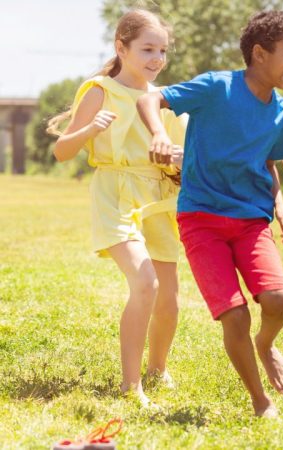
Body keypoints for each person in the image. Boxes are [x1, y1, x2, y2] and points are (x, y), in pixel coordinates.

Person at [136, 10, 283, 417]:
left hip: (251, 221)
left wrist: (280, 205)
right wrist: (160, 133)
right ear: (260, 54)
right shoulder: (217, 87)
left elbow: (267, 164)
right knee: (234, 316)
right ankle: (259, 399)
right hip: (201, 219)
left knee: (278, 300)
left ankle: (265, 344)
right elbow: (150, 97)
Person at [49, 9, 185, 408]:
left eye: (162, 50)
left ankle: (158, 369)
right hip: (116, 192)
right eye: (147, 49)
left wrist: (177, 159)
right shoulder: (100, 90)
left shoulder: (163, 98)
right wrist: (90, 129)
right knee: (146, 283)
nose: (156, 58)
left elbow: (177, 155)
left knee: (170, 297)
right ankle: (132, 385)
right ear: (121, 47)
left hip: (157, 197)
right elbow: (61, 151)